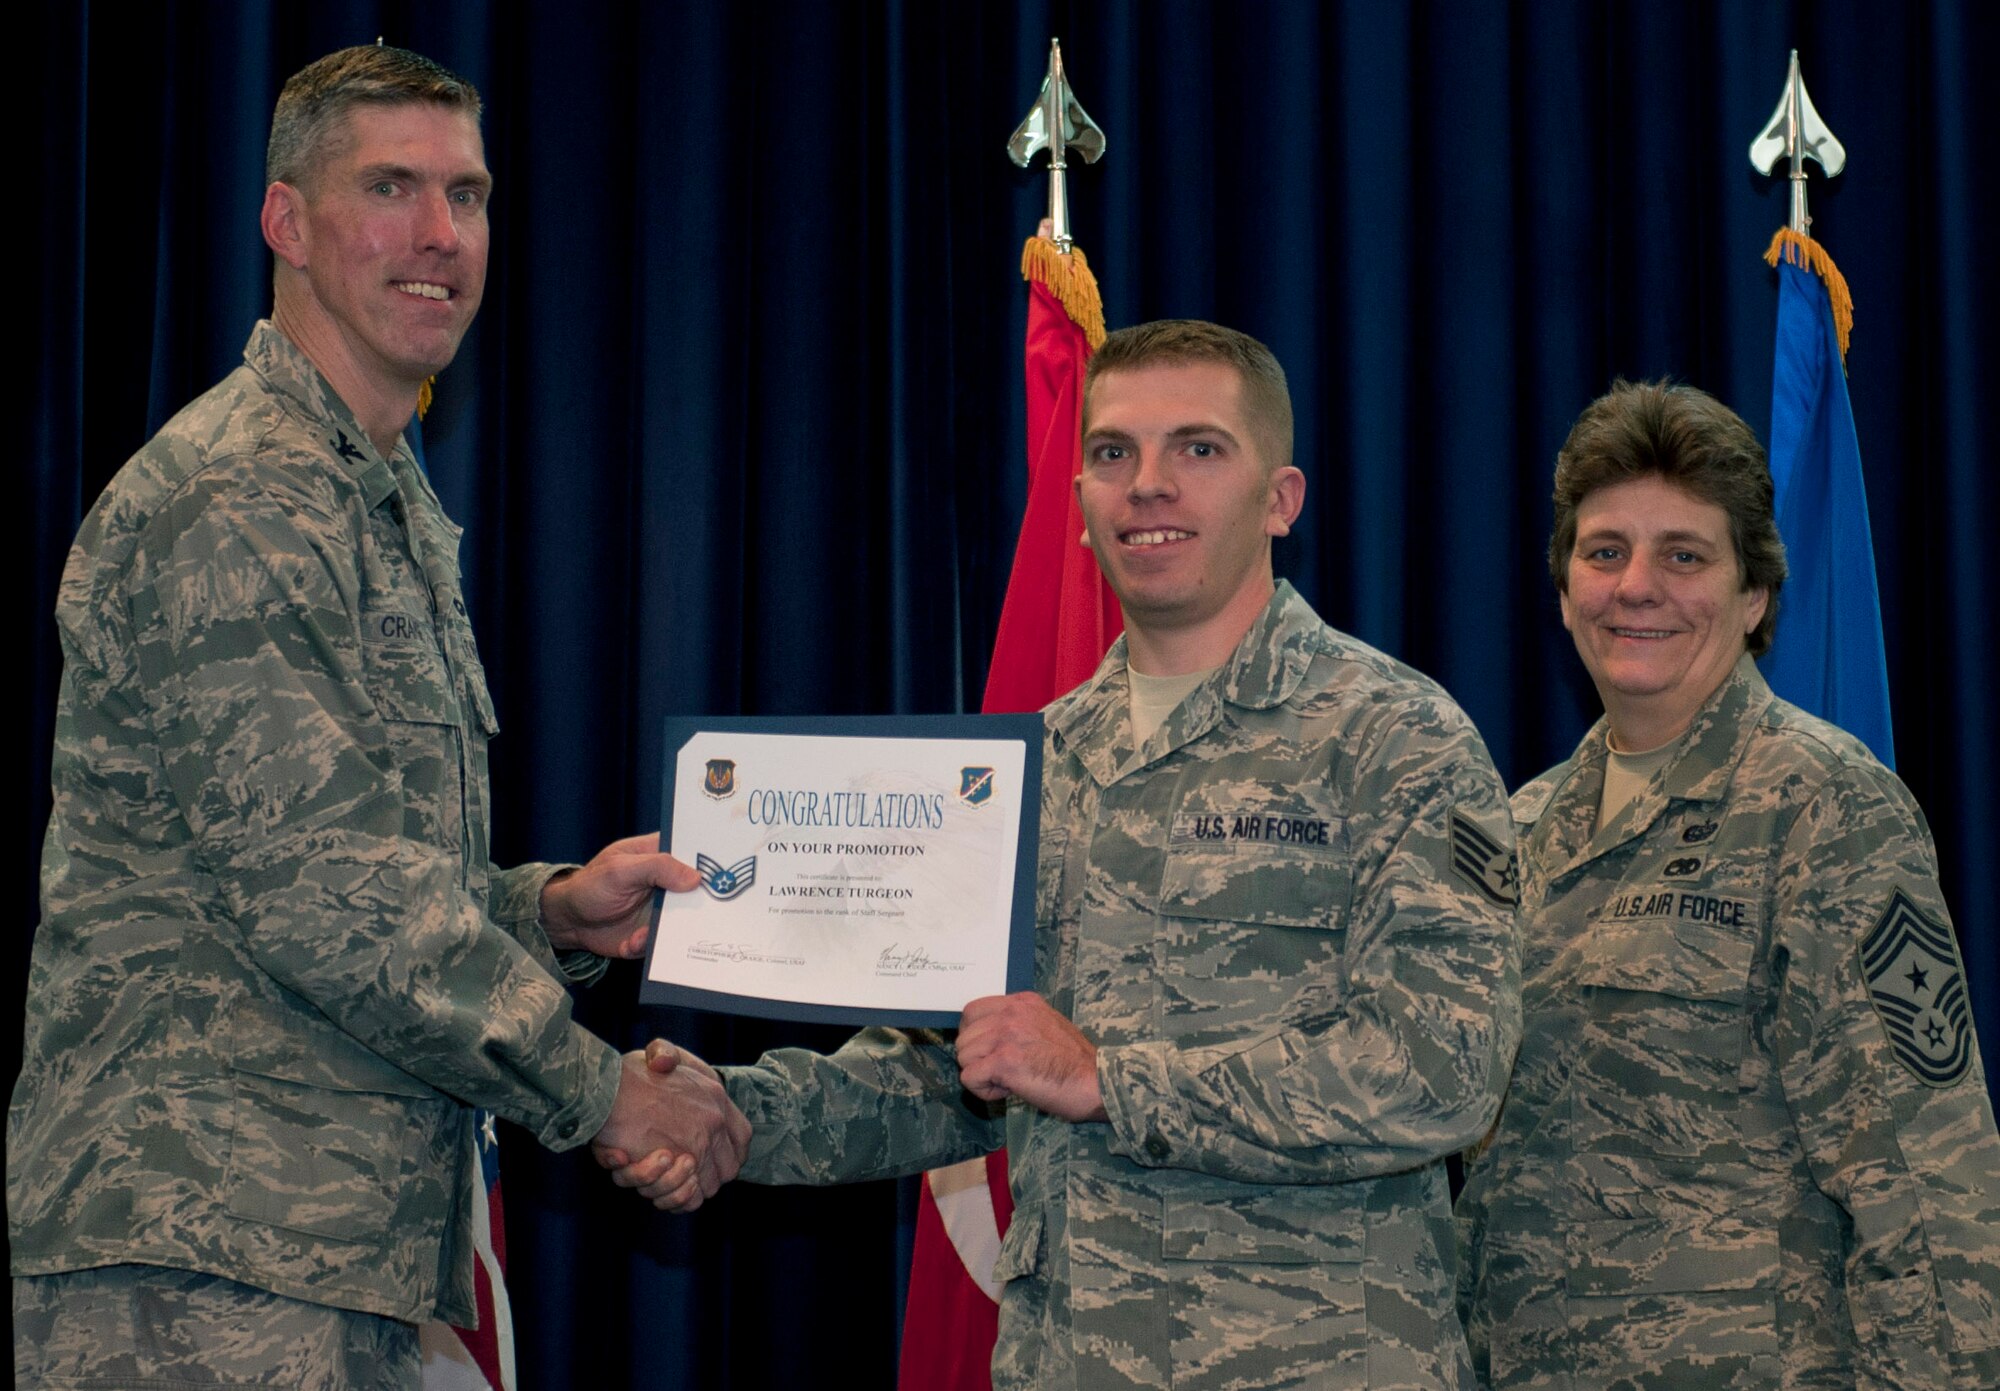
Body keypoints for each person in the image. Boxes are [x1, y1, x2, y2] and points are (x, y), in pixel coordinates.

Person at [10, 45, 748, 1388]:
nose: (439, 235)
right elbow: (329, 899)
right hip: (203, 1261)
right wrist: (602, 1093)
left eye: (465, 195)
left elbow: (343, 867)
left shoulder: (373, 497)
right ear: (286, 221)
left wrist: (546, 913)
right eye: (391, 188)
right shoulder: (236, 500)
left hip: (320, 1250)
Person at [613, 320, 1522, 1389]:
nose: (1146, 485)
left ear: (1279, 498)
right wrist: (729, 1115)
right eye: (1110, 453)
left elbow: (1444, 1065)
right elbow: (948, 1069)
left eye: (1196, 448)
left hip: (1315, 1359)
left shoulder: (1393, 736)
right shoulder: (1028, 766)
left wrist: (1108, 1079)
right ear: (1080, 506)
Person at [1455, 380, 2000, 1388]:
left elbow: (1928, 1185)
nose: (1636, 586)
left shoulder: (1827, 808)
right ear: (1563, 585)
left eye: (1684, 555)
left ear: (1751, 595)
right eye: (1603, 550)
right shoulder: (1517, 830)